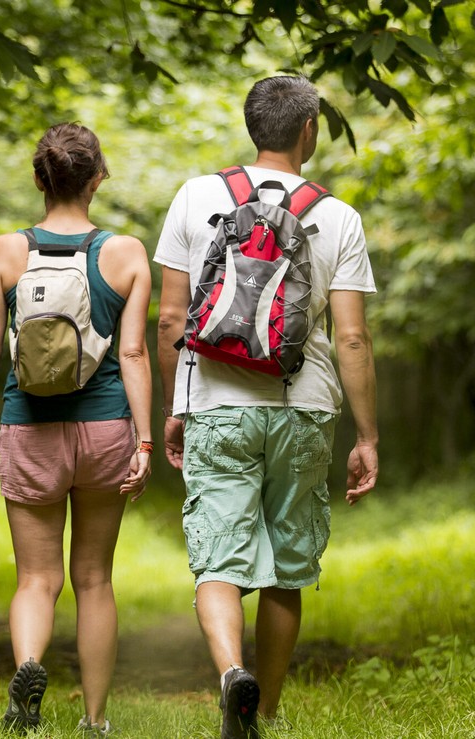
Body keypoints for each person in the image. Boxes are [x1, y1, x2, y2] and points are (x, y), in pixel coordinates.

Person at [154, 76, 379, 738]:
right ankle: (268, 713)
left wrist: (177, 405)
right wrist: (367, 435)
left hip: (216, 399)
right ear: (309, 130)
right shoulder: (338, 216)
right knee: (287, 565)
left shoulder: (197, 198)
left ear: (253, 124)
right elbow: (352, 336)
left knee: (217, 559)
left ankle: (231, 676)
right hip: (303, 404)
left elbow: (171, 315)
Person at [0, 122, 154, 737]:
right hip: (104, 431)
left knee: (35, 578)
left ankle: (28, 668)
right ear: (98, 176)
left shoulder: (6, 251)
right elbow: (132, 355)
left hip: (30, 428)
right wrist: (145, 440)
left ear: (38, 179)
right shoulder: (126, 253)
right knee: (95, 578)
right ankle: (95, 719)